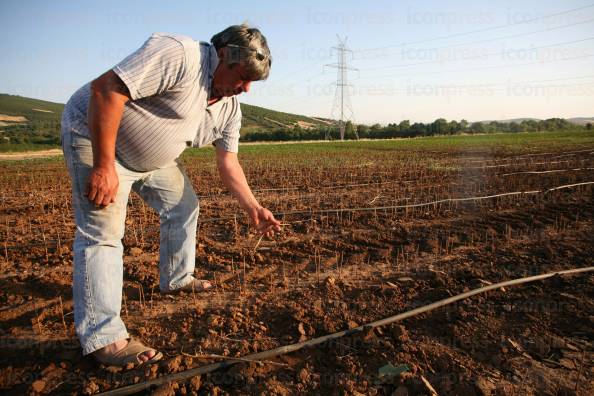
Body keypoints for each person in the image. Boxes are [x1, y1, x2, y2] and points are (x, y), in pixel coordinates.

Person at [60, 24, 281, 366]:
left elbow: (228, 162)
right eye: (242, 76)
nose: (247, 88)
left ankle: (177, 279)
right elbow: (106, 90)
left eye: (253, 82)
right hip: (97, 139)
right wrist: (103, 166)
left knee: (184, 206)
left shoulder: (229, 107)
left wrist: (253, 207)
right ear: (223, 55)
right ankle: (104, 338)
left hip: (152, 160)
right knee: (102, 234)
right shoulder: (180, 55)